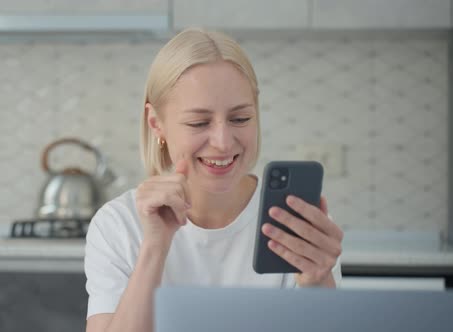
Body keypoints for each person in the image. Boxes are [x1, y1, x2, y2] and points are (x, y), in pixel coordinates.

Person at [84, 28, 344, 332]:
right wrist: (155, 247)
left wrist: (318, 282)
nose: (223, 142)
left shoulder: (297, 224)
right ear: (157, 124)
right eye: (199, 122)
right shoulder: (118, 224)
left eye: (240, 118)